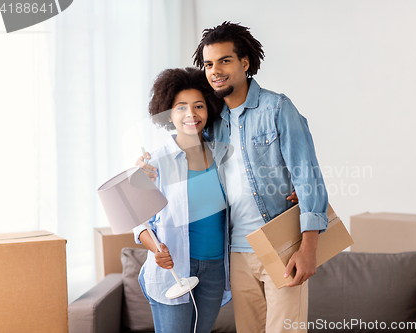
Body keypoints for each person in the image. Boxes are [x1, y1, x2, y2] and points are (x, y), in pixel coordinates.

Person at [139, 22, 327, 333]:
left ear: (245, 62)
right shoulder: (212, 123)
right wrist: (144, 166)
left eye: (225, 60)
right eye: (209, 64)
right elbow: (177, 149)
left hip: (281, 244)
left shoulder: (277, 108)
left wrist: (308, 248)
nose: (215, 71)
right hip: (236, 253)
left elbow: (308, 177)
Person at [132, 67, 229, 333]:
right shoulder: (155, 162)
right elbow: (139, 222)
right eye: (181, 107)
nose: (191, 114)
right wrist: (156, 250)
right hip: (174, 269)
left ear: (209, 108)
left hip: (215, 269)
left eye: (198, 106)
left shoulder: (223, 156)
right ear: (168, 113)